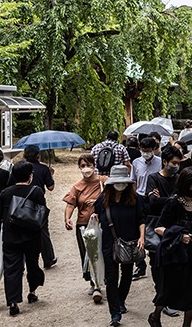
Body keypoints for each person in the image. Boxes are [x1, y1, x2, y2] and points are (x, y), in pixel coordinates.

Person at [148, 167, 192, 327]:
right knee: (167, 291)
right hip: (173, 255)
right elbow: (159, 227)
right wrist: (179, 237)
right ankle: (155, 316)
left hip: (190, 254)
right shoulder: (173, 202)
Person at [94, 165, 145, 326]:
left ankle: (121, 300)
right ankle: (114, 313)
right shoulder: (103, 199)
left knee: (127, 274)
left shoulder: (135, 199)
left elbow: (141, 219)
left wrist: (142, 237)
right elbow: (95, 214)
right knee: (111, 278)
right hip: (110, 243)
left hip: (130, 242)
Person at [0, 161, 46, 317]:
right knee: (32, 264)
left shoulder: (5, 193)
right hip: (32, 236)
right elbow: (42, 214)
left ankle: (13, 301)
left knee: (11, 269)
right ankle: (32, 291)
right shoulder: (37, 192)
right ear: (30, 176)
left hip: (11, 237)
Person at [63, 153, 107, 303]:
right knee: (88, 254)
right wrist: (67, 218)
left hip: (102, 224)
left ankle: (100, 282)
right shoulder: (77, 186)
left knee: (101, 252)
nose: (86, 169)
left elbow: (113, 198)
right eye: (82, 166)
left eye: (88, 165)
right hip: (83, 225)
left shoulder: (104, 182)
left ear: (94, 166)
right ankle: (94, 283)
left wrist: (97, 201)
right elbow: (70, 204)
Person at [145, 146, 183, 317]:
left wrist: (164, 199)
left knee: (173, 263)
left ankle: (169, 297)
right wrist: (173, 199)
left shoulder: (179, 179)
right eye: (174, 163)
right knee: (157, 263)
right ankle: (162, 297)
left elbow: (183, 200)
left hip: (174, 226)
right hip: (157, 226)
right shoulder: (153, 178)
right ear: (165, 162)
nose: (176, 166)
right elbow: (153, 202)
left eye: (178, 163)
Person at [16, 145, 57, 269]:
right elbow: (51, 187)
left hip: (21, 202)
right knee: (43, 231)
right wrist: (51, 175)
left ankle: (22, 261)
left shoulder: (19, 167)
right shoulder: (43, 169)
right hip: (38, 202)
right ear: (38, 155)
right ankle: (48, 259)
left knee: (21, 231)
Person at [130, 137, 162, 281]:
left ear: (153, 150)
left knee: (155, 228)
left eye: (148, 151)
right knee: (138, 231)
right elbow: (133, 182)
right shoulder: (136, 163)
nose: (145, 153)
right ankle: (140, 264)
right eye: (143, 151)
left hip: (155, 200)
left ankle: (156, 258)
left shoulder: (160, 163)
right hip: (140, 198)